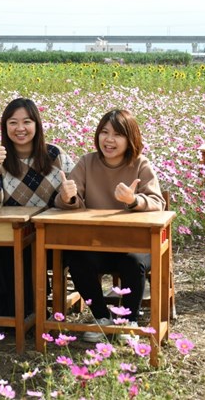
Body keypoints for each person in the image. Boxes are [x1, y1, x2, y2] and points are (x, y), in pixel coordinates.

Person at [56, 109, 165, 343]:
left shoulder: (140, 164)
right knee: (77, 258)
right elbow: (70, 201)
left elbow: (158, 203)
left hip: (135, 245)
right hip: (98, 243)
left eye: (117, 134)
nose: (109, 139)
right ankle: (102, 318)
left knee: (132, 261)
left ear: (131, 138)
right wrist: (67, 197)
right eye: (104, 132)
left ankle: (128, 322)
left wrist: (134, 200)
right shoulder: (87, 162)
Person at [0, 98, 75, 317]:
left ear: (37, 125)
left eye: (27, 122)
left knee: (29, 248)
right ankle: (0, 315)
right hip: (13, 234)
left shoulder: (55, 156)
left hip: (51, 235)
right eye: (13, 122)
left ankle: (31, 312)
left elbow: (77, 196)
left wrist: (69, 197)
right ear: (5, 127)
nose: (20, 128)